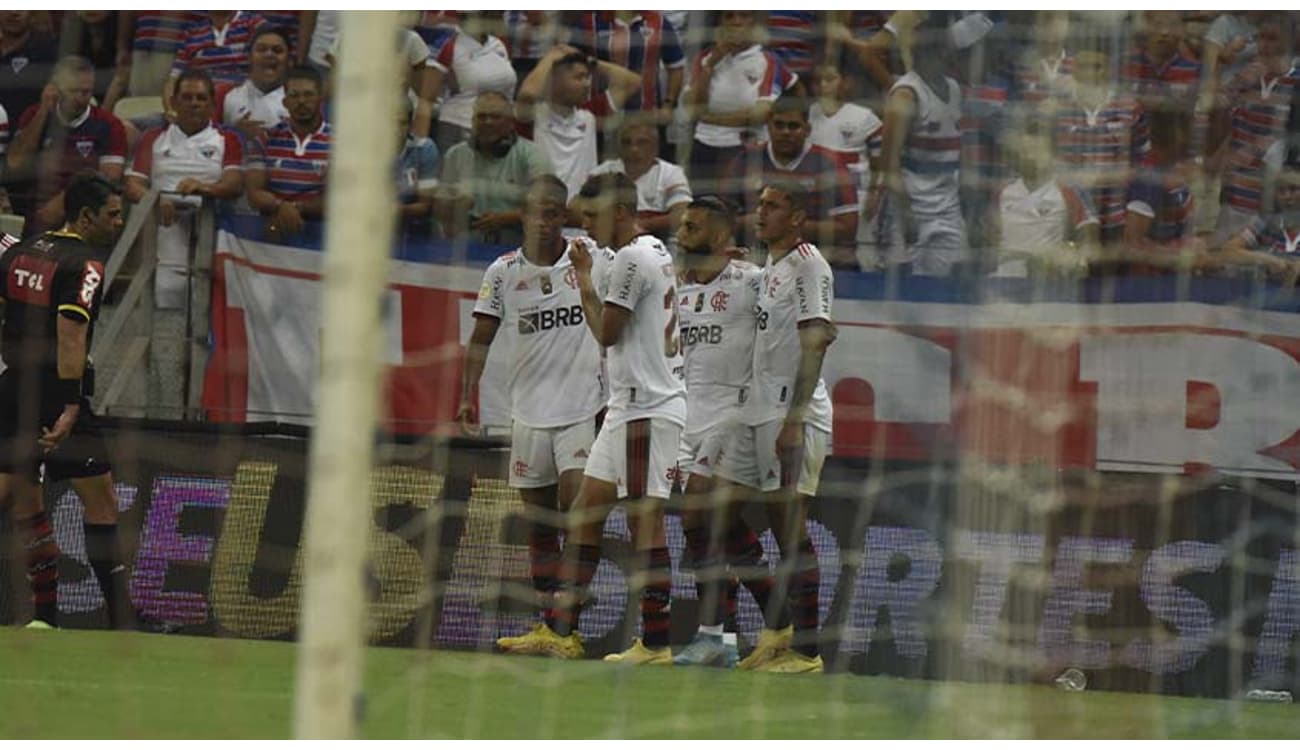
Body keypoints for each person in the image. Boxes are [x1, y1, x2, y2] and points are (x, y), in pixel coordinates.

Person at [501, 172, 686, 664]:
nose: (587, 226)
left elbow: (605, 332)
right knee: (585, 513)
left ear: (621, 213)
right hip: (626, 408)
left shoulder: (631, 258)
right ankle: (561, 631)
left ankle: (657, 641)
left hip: (649, 406)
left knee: (644, 523)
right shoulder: (655, 252)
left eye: (593, 216)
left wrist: (583, 279)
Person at [462, 175, 614, 655]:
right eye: (535, 212)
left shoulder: (591, 257)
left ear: (564, 214)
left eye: (554, 212)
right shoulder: (503, 272)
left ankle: (563, 621)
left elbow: (642, 269)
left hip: (581, 409)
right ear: (522, 214)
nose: (544, 221)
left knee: (580, 512)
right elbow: (481, 338)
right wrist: (468, 395)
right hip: (527, 414)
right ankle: (551, 626)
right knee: (541, 527)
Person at [713, 180, 835, 674]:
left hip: (790, 413)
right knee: (717, 514)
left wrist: (796, 419)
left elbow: (816, 340)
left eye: (773, 205)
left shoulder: (809, 263)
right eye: (759, 204)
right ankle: (776, 627)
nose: (760, 212)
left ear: (798, 216)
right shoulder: (769, 268)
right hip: (754, 410)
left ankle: (806, 652)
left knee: (789, 531)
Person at [0, 174, 128, 629]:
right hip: (57, 395)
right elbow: (70, 336)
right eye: (112, 214)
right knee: (102, 503)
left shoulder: (20, 252)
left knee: (21, 505)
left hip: (13, 391)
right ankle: (121, 624)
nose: (119, 222)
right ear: (86, 216)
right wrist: (72, 404)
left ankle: (45, 619)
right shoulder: (85, 264)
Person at [668, 196, 764, 668]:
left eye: (693, 226)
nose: (682, 232)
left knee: (694, 514)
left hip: (734, 413)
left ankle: (725, 632)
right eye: (682, 224)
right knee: (708, 528)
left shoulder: (751, 281)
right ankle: (725, 637)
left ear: (721, 237)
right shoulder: (676, 286)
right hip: (690, 416)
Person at [125, 69, 243, 308]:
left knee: (212, 297)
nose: (194, 104)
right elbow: (133, 184)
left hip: (214, 225)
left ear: (212, 104)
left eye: (201, 98)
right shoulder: (153, 138)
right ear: (173, 102)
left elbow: (234, 184)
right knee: (168, 290)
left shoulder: (227, 139)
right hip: (165, 225)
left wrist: (205, 188)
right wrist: (155, 200)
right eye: (187, 97)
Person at [723, 95, 858, 268]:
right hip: (757, 260)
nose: (785, 132)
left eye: (793, 126)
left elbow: (847, 229)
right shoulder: (745, 161)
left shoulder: (831, 164)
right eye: (779, 125)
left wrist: (780, 225)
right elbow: (723, 221)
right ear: (768, 127)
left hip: (818, 260)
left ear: (807, 129)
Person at [6, 56, 127, 236]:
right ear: (56, 88)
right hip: (32, 212)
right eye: (73, 91)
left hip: (84, 219)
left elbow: (109, 179)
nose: (80, 98)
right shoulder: (33, 114)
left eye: (86, 92)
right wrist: (43, 111)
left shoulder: (109, 124)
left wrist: (64, 202)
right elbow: (15, 162)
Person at [682, 11, 799, 197]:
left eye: (744, 16)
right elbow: (690, 108)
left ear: (754, 21)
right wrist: (711, 65)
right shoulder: (705, 59)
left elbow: (758, 115)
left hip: (743, 149)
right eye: (729, 16)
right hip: (703, 147)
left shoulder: (767, 60)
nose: (737, 23)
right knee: (699, 207)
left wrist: (707, 117)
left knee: (733, 209)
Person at [516, 45, 641, 200]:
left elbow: (633, 82)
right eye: (578, 77)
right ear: (554, 80)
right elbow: (528, 93)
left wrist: (590, 62)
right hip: (543, 206)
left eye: (587, 77)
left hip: (583, 210)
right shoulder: (533, 115)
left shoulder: (590, 113)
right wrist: (552, 56)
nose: (586, 84)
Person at [433, 91, 554, 247]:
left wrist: (507, 218)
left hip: (517, 247)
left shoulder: (533, 155)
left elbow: (549, 206)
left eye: (495, 117)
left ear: (511, 122)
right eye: (481, 116)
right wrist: (452, 206)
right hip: (464, 247)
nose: (488, 122)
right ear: (472, 122)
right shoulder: (455, 155)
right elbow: (439, 210)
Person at [808, 62, 884, 269]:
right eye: (817, 81)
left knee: (864, 251)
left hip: (858, 196)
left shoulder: (865, 117)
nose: (823, 85)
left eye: (830, 80)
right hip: (820, 197)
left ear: (846, 83)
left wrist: (875, 194)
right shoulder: (807, 115)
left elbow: (881, 162)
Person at [244, 65, 330, 241]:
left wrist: (295, 208)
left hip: (324, 239)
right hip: (273, 235)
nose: (301, 101)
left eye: (308, 95)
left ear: (320, 98)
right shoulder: (264, 139)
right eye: (294, 95)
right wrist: (280, 206)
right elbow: (254, 194)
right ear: (284, 102)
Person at [589, 118, 693, 250]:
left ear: (655, 146)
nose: (633, 149)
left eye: (642, 142)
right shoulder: (604, 171)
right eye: (627, 142)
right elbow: (578, 207)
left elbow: (683, 213)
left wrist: (642, 225)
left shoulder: (671, 173)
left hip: (660, 245)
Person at [425, 12, 517, 153]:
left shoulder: (498, 44)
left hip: (499, 130)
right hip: (459, 127)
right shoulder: (448, 44)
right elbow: (426, 97)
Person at [220, 25, 291, 142]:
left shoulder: (300, 100)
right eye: (261, 49)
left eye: (277, 50)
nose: (269, 54)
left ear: (289, 61)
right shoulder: (228, 97)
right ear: (249, 57)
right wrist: (236, 135)